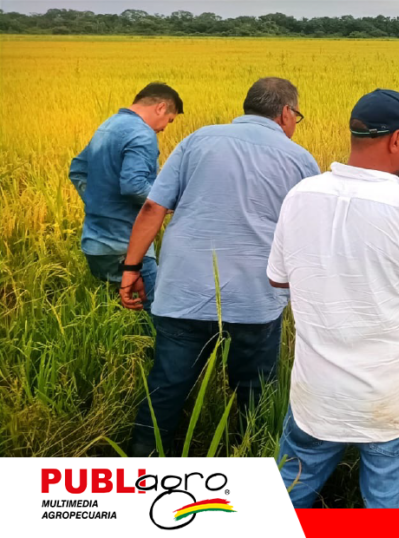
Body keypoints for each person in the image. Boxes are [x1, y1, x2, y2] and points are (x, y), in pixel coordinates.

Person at [269, 89, 399, 508]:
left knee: (286, 497)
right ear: (397, 140)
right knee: (385, 504)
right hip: (388, 402)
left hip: (316, 397)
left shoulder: (300, 196)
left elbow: (279, 280)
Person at [119, 77, 320, 457]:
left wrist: (131, 268)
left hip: (183, 292)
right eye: (297, 116)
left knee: (166, 389)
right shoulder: (300, 159)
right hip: (256, 299)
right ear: (285, 113)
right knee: (255, 394)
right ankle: (250, 460)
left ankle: (142, 465)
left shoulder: (197, 140)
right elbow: (310, 234)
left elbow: (153, 207)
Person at [69, 82, 182, 311]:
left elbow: (78, 171)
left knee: (119, 312)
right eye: (169, 120)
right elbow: (134, 186)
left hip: (95, 243)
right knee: (159, 314)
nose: (164, 129)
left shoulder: (108, 126)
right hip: (127, 246)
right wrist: (168, 202)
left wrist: (100, 203)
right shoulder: (143, 133)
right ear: (161, 107)